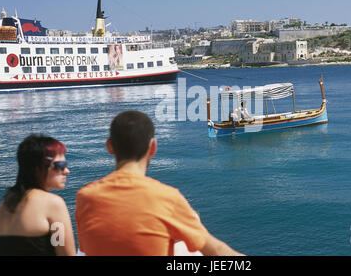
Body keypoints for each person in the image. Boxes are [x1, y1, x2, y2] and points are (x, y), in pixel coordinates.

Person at [75, 110, 244, 256]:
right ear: (153, 147)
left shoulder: (85, 197)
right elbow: (216, 251)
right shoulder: (167, 198)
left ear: (109, 147)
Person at [0, 134, 76, 256]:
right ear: (38, 168)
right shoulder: (53, 203)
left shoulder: (5, 203)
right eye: (60, 166)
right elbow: (65, 253)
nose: (67, 171)